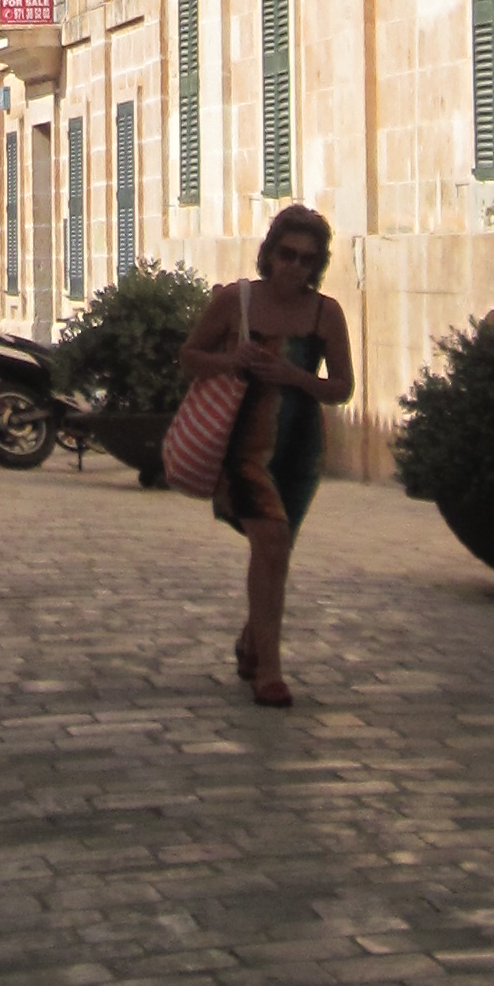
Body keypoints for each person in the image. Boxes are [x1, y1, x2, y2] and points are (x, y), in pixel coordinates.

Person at [175, 203, 353, 708]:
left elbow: (341, 387)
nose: (294, 267)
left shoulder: (325, 313)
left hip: (299, 449)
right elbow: (189, 357)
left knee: (276, 550)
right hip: (244, 445)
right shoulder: (237, 301)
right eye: (287, 254)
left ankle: (253, 641)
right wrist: (231, 360)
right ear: (270, 253)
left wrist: (296, 377)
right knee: (271, 538)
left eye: (306, 259)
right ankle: (270, 672)